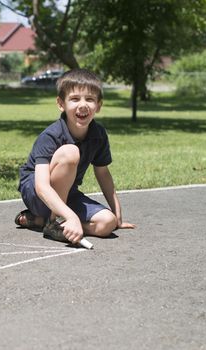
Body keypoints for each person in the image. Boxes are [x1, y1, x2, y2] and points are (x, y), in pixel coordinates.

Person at [15, 68, 135, 244]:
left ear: (99, 105)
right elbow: (41, 187)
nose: (83, 105)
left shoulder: (98, 134)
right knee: (70, 152)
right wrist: (71, 216)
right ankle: (56, 218)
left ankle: (48, 223)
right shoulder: (51, 136)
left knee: (107, 224)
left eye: (90, 99)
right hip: (38, 194)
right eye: (74, 99)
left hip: (67, 193)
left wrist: (118, 216)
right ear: (61, 104)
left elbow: (103, 174)